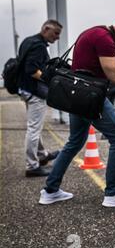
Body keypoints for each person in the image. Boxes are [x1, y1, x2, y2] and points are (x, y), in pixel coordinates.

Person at [39, 18, 115, 207]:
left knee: (74, 142)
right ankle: (113, 194)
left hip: (77, 96)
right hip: (89, 97)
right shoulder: (104, 39)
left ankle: (50, 190)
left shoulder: (94, 32)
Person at [19, 20, 62, 178]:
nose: (57, 37)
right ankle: (32, 166)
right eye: (56, 33)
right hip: (35, 91)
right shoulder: (39, 46)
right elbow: (31, 70)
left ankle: (42, 155)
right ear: (46, 29)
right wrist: (49, 80)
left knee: (34, 126)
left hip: (25, 89)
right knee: (34, 128)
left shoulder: (28, 41)